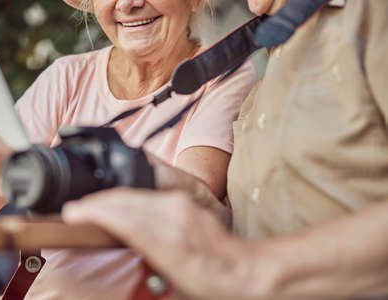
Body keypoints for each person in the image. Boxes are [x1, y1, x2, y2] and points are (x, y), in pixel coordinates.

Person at [60, 0, 388, 298]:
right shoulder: (272, 64)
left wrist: (246, 271)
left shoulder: (370, 14)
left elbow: (245, 267)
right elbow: (265, 226)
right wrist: (197, 199)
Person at [0, 0, 257, 299]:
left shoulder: (223, 78)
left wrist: (41, 181)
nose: (128, 4)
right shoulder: (67, 76)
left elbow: (189, 205)